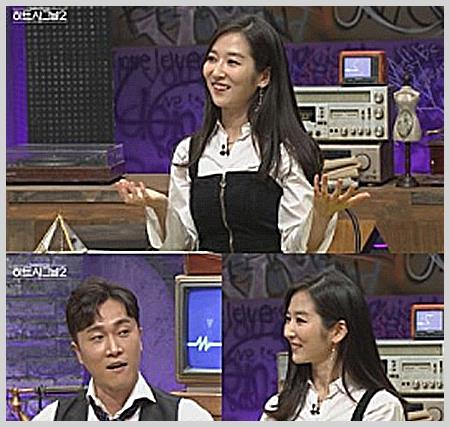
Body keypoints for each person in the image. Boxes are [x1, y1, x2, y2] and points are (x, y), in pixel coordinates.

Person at [115, 14, 370, 253]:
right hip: (210, 276)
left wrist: (321, 216)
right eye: (212, 59)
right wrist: (160, 206)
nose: (217, 72)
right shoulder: (189, 152)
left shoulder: (284, 151)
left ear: (263, 76)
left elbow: (298, 249)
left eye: (233, 62)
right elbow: (183, 246)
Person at [32, 277, 214, 421]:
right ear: (78, 352)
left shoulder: (187, 417)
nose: (114, 349)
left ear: (140, 337)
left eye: (123, 332)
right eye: (98, 337)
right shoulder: (51, 418)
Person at [260, 269, 407, 421]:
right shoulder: (278, 407)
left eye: (300, 321)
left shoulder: (380, 407)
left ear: (338, 332)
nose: (288, 332)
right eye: (288, 319)